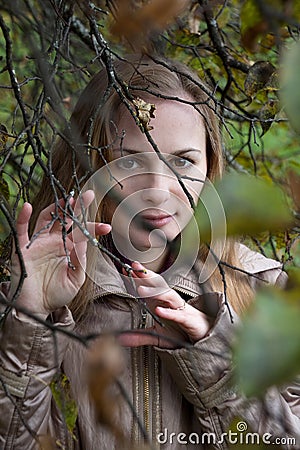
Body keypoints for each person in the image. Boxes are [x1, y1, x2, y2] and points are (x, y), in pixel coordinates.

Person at [0, 55, 299, 450]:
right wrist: (30, 321)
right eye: (131, 160)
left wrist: (216, 360)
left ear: (209, 168)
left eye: (183, 161)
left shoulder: (267, 292)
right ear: (92, 163)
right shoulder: (29, 296)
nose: (158, 188)